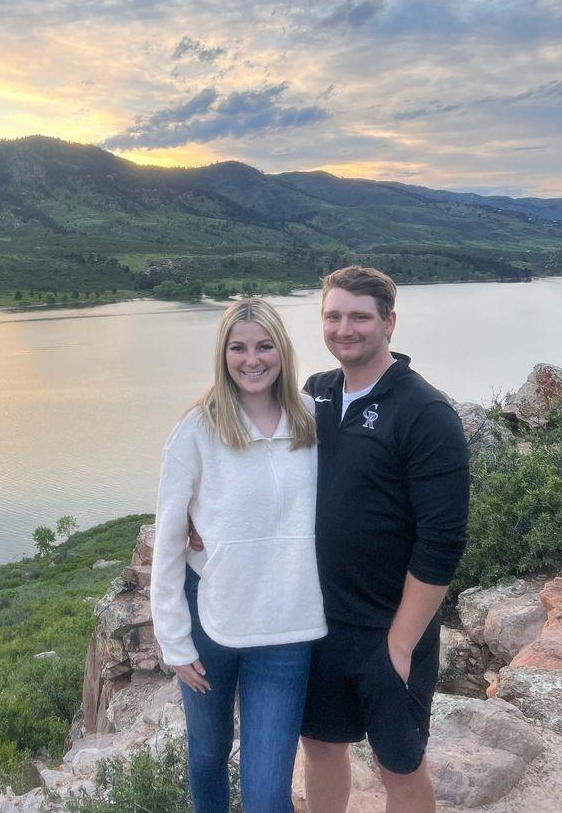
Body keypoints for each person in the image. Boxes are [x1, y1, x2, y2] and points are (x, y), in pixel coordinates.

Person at [299, 265, 470, 813]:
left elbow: (442, 540)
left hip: (389, 629)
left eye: (359, 317)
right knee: (321, 747)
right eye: (333, 316)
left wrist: (401, 642)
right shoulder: (316, 394)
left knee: (400, 766)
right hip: (317, 623)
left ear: (389, 322)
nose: (344, 328)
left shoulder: (425, 412)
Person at [150, 297, 327, 813]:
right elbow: (168, 538)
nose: (253, 360)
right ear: (223, 355)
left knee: (268, 797)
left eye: (265, 346)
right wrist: (173, 639)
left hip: (287, 629)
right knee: (207, 754)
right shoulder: (197, 430)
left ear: (283, 351)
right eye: (239, 347)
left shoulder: (315, 423)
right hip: (211, 622)